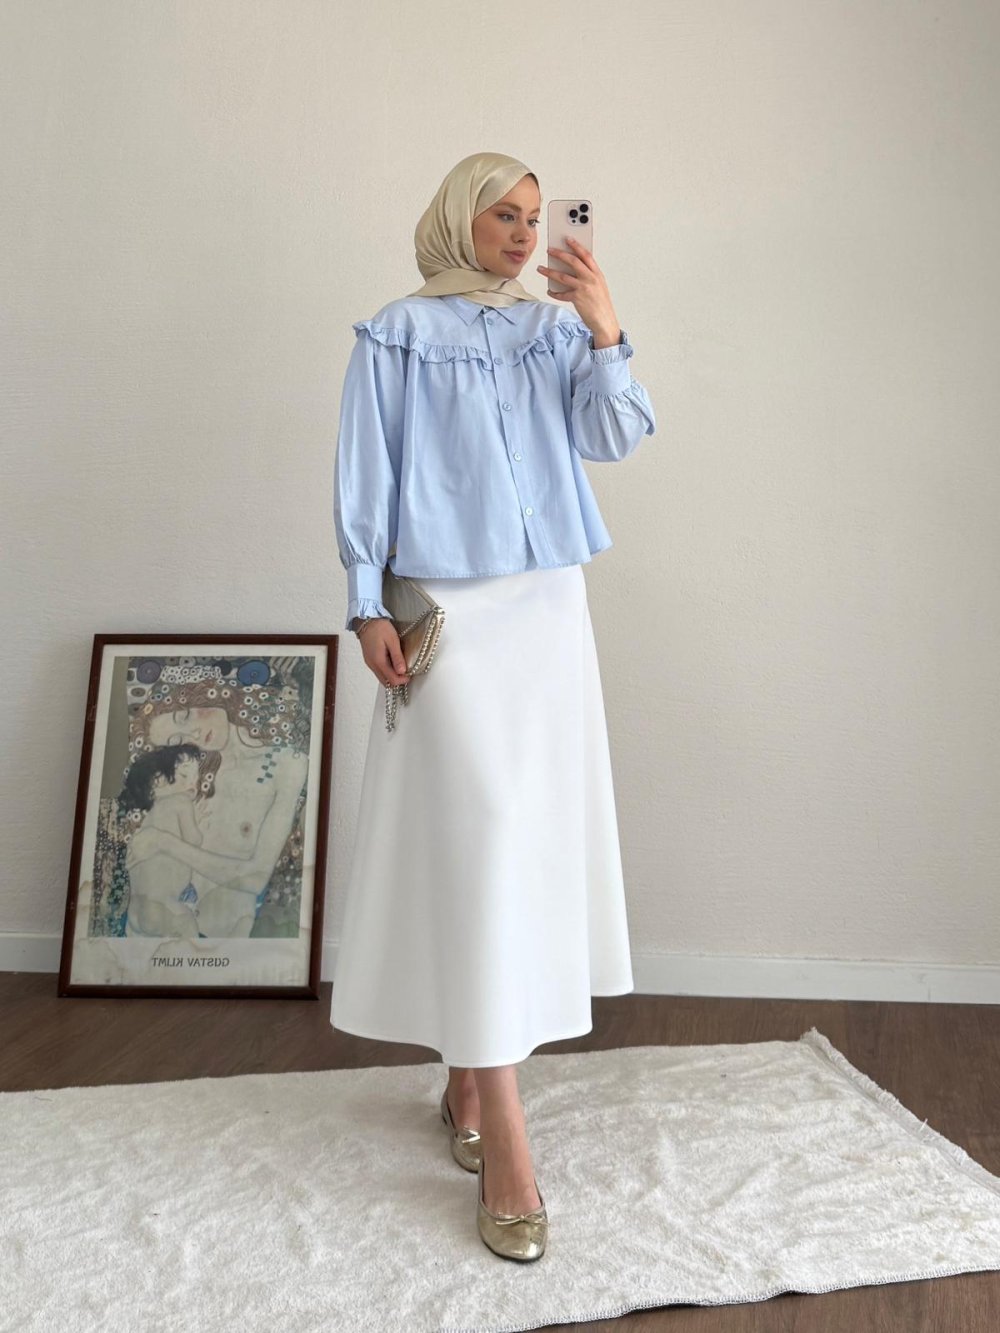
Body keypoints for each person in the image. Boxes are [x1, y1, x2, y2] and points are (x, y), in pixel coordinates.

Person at [329, 151, 656, 1262]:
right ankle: (507, 1129)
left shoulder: (554, 331)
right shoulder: (395, 333)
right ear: (454, 220)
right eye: (502, 215)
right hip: (447, 612)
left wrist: (604, 325)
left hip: (546, 607)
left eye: (533, 216)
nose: (522, 234)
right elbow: (366, 474)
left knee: (523, 845)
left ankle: (472, 1076)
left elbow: (614, 437)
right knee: (477, 838)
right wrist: (365, 604)